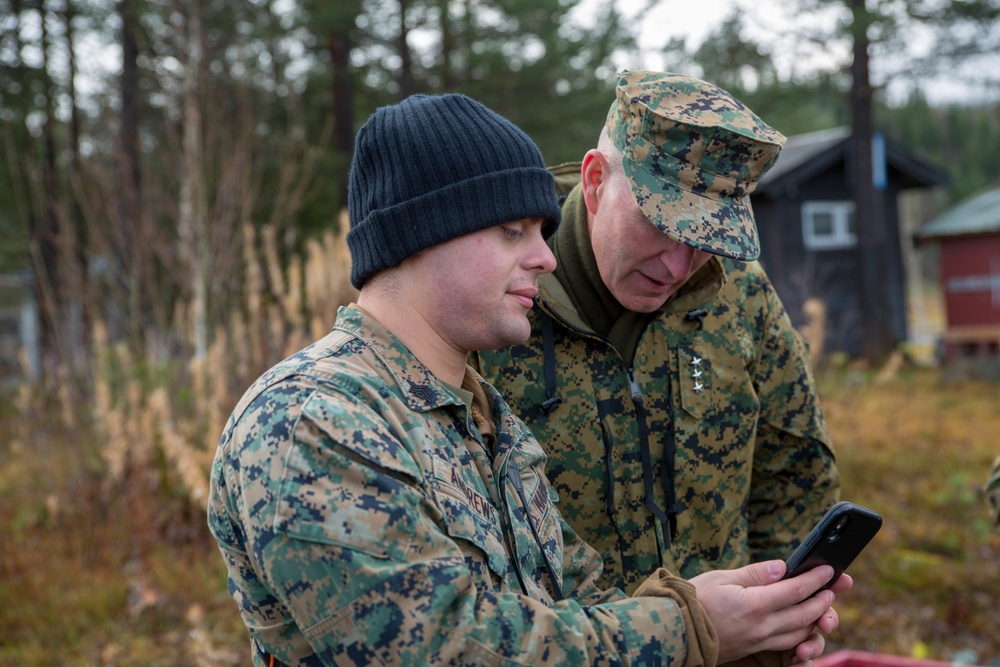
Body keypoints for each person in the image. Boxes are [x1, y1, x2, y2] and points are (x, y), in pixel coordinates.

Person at [208, 92, 848, 666]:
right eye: (511, 231)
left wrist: (737, 617)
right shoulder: (312, 421)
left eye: (540, 231)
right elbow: (450, 647)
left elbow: (573, 597)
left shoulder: (483, 419)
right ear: (421, 237)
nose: (543, 258)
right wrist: (688, 628)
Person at [474, 71, 841, 600]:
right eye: (663, 226)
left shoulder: (737, 294)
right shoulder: (493, 294)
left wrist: (775, 617)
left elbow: (796, 476)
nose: (677, 266)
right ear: (596, 179)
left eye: (705, 239)